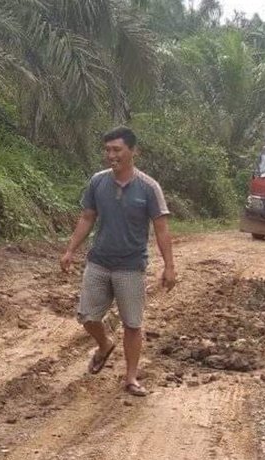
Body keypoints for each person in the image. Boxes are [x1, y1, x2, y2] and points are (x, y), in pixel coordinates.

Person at [60, 126, 175, 396]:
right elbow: (87, 217)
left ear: (133, 151)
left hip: (131, 267)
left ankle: (131, 378)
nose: (111, 155)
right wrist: (70, 250)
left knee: (132, 324)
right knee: (87, 316)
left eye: (117, 150)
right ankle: (104, 344)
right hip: (99, 261)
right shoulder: (98, 182)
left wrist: (169, 266)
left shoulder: (149, 188)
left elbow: (161, 229)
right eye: (108, 150)